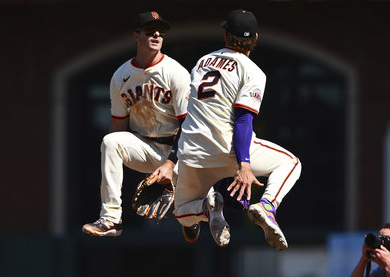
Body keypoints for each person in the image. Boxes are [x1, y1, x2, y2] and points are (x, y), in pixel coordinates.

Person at [173, 9, 301, 250]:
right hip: (229, 151)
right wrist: (244, 165)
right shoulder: (253, 71)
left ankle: (208, 206)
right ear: (255, 40)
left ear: (226, 36)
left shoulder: (202, 61)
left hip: (192, 153)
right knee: (292, 163)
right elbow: (243, 120)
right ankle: (267, 205)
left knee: (182, 213)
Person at [82, 11, 190, 237]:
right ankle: (111, 219)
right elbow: (118, 126)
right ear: (136, 36)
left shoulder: (176, 72)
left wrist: (170, 164)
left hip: (179, 150)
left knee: (201, 201)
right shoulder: (121, 76)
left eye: (161, 31)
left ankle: (195, 215)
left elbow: (190, 127)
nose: (157, 35)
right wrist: (119, 162)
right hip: (145, 145)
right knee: (110, 142)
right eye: (150, 31)